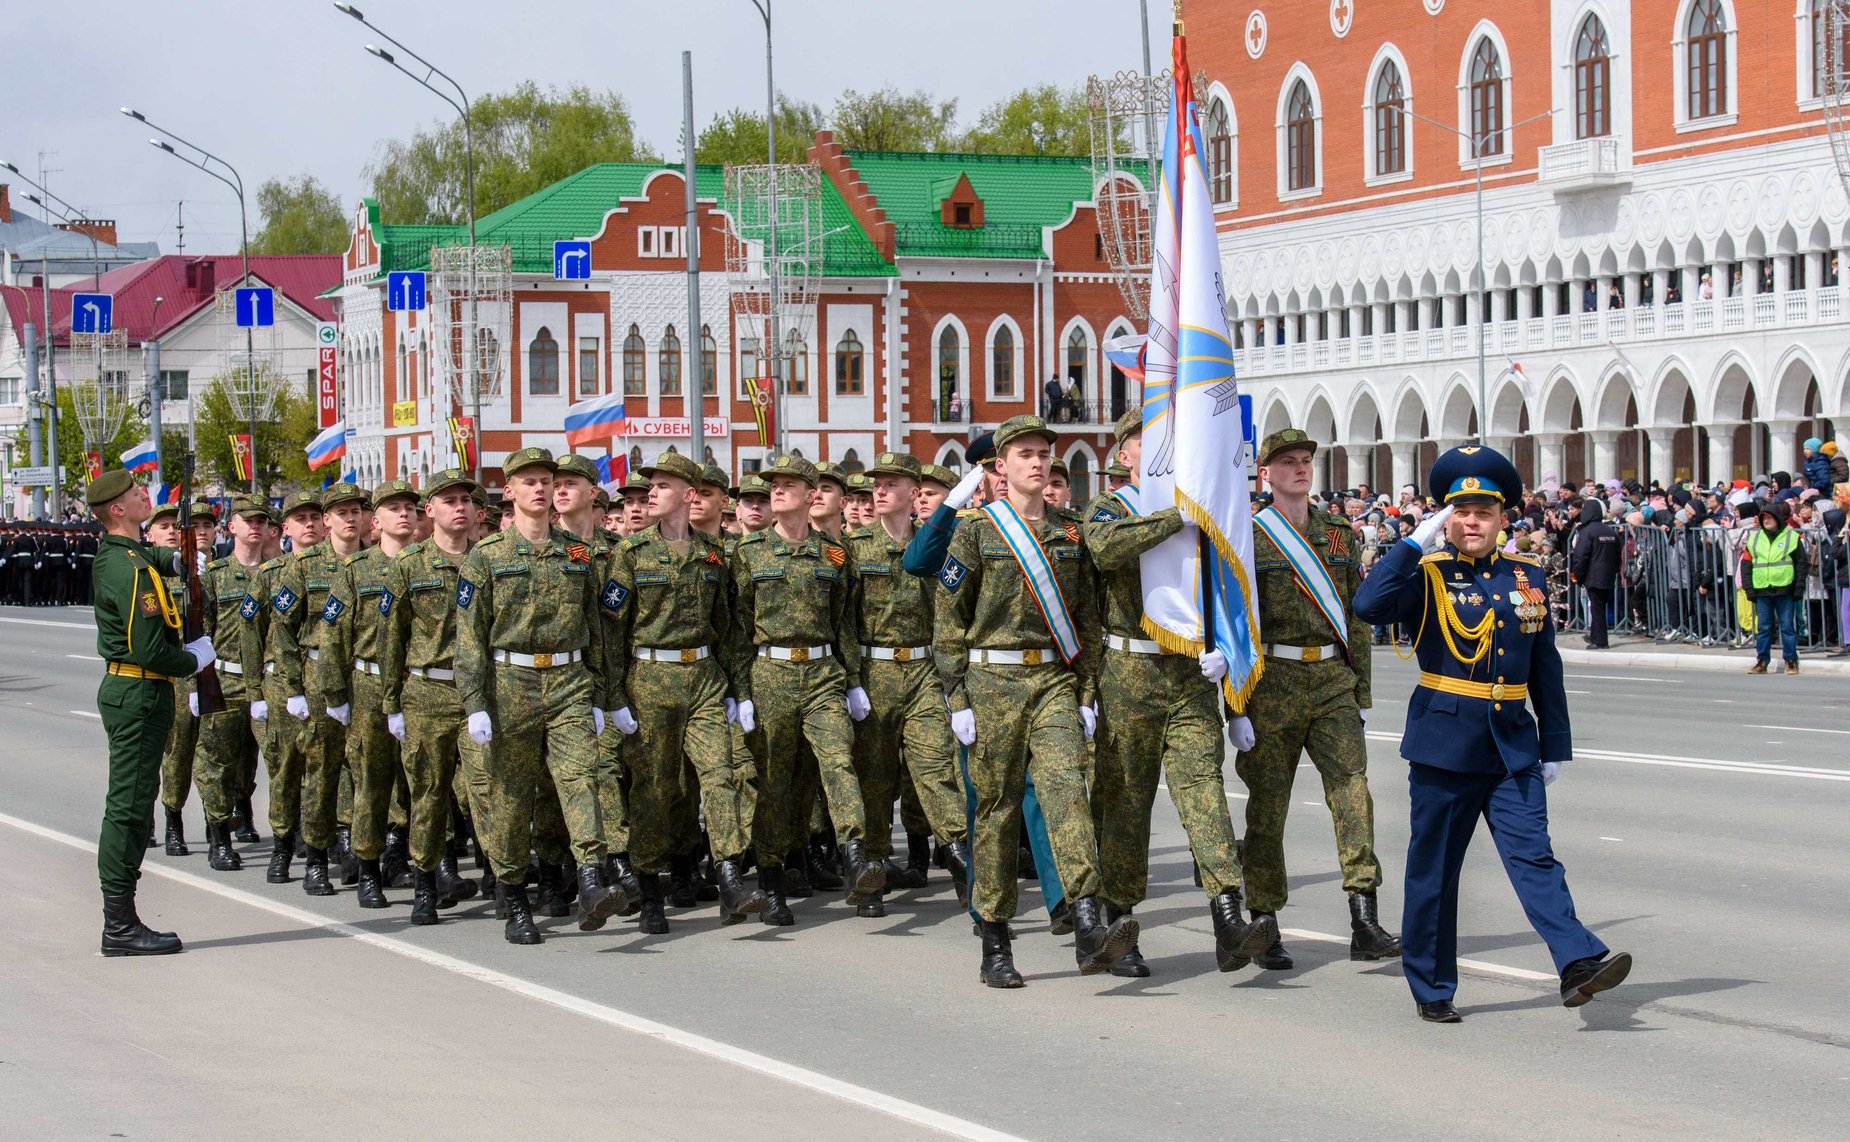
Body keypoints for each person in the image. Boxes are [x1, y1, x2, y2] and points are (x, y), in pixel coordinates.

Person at [1354, 444, 1632, 1023]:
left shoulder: (1526, 576)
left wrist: (1554, 744)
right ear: (1446, 519)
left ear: (1504, 518)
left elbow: (1544, 666)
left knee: (1535, 858)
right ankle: (1432, 986)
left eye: (1484, 512)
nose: (1472, 522)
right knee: (1435, 870)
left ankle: (1577, 961)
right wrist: (1411, 542)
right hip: (1445, 745)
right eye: (1461, 513)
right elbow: (1368, 605)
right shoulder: (1427, 575)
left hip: (1511, 743)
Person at [934, 414, 1131, 987]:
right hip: (990, 684)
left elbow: (1089, 619)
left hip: (1053, 682)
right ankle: (995, 938)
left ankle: (1088, 918)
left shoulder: (1071, 531)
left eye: (1044, 453)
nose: (1038, 462)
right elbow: (949, 618)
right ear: (1001, 466)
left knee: (1069, 791)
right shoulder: (974, 532)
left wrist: (1089, 689)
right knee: (995, 812)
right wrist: (956, 696)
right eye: (1025, 454)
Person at [1083, 411, 1274, 976]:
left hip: (1192, 675)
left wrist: (1224, 654)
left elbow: (1225, 586)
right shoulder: (1111, 508)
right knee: (1126, 802)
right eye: (1150, 440)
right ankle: (1120, 924)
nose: (1166, 448)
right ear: (1125, 456)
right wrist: (1174, 518)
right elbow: (1106, 550)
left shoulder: (1202, 511)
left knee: (1204, 794)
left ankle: (1227, 916)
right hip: (1129, 675)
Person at [1233, 428, 1399, 970]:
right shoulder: (1249, 535)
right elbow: (1235, 623)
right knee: (1269, 807)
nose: (1301, 469)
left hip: (1330, 678)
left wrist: (1362, 690)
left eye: (1306, 461)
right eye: (1288, 462)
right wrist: (1235, 704)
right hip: (1273, 680)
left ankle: (1364, 916)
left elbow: (1356, 615)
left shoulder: (1338, 534)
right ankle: (1264, 919)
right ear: (1266, 474)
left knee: (1353, 794)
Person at [457, 448, 623, 943]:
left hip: (570, 682)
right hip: (511, 686)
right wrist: (475, 704)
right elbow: (470, 638)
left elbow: (594, 627)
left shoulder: (576, 553)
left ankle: (592, 877)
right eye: (527, 481)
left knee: (580, 778)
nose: (538, 489)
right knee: (512, 796)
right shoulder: (485, 557)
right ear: (508, 491)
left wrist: (600, 694)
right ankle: (513, 896)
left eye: (546, 481)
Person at [604, 451, 764, 930]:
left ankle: (731, 876)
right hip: (649, 681)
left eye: (663, 486)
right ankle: (651, 891)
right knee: (655, 788)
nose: (651, 493)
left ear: (689, 495)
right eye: (650, 486)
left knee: (722, 774)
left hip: (704, 679)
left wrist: (736, 689)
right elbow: (612, 631)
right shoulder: (629, 554)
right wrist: (613, 698)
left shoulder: (715, 555)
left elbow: (729, 625)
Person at [727, 454, 883, 924]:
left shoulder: (835, 553)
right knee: (775, 782)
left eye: (788, 484)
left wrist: (852, 680)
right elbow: (736, 627)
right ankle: (772, 879)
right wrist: (742, 690)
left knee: (838, 760)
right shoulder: (749, 553)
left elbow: (844, 623)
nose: (777, 491)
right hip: (769, 672)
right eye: (774, 484)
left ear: (811, 495)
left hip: (821, 673)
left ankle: (855, 854)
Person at [86, 469, 216, 956]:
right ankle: (119, 924)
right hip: (139, 693)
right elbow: (150, 652)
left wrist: (180, 557)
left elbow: (150, 558)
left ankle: (121, 919)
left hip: (134, 693)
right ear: (117, 509)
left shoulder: (126, 556)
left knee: (136, 801)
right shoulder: (132, 571)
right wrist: (194, 660)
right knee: (129, 809)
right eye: (137, 494)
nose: (147, 497)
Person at [845, 451, 972, 917]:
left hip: (923, 670)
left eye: (890, 483)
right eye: (876, 484)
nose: (879, 491)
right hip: (873, 671)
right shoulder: (855, 547)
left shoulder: (937, 544)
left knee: (935, 769)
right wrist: (851, 681)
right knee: (874, 779)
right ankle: (873, 872)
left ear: (913, 493)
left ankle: (964, 865)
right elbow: (844, 620)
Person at [378, 470, 487, 924]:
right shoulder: (408, 566)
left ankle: (505, 882)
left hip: (480, 692)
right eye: (448, 501)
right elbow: (390, 638)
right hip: (426, 690)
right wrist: (392, 702)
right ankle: (426, 883)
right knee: (428, 792)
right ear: (431, 510)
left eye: (465, 499)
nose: (458, 507)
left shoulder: (490, 559)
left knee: (488, 789)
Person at [320, 481, 422, 908]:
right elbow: (333, 634)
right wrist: (335, 692)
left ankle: (406, 854)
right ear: (375, 522)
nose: (403, 514)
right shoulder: (356, 570)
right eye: (392, 508)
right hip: (369, 685)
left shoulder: (428, 564)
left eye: (409, 508)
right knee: (372, 779)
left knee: (417, 779)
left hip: (418, 682)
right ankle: (366, 867)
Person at [270, 484, 370, 896]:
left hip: (364, 678)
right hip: (315, 681)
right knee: (322, 771)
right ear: (326, 521)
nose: (350, 519)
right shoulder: (305, 567)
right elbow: (282, 628)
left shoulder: (374, 564)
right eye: (340, 512)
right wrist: (292, 686)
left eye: (356, 511)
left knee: (363, 771)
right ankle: (315, 857)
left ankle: (359, 852)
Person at [1743, 500, 1807, 674]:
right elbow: (1746, 564)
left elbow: (1801, 563)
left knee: (1787, 626)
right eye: (1764, 518)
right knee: (1764, 627)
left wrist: (1799, 587)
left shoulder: (1791, 537)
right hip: (1762, 589)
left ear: (1778, 519)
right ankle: (1762, 661)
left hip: (1785, 588)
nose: (1767, 521)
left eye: (1770, 518)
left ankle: (1791, 660)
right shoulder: (1755, 538)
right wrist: (1749, 588)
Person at [1569, 499, 1620, 649]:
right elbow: (1617, 556)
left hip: (1593, 575)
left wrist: (1577, 575)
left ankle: (1600, 641)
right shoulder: (1611, 531)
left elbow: (1581, 555)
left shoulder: (1587, 531)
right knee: (1600, 606)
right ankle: (1595, 635)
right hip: (1608, 575)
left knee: (1596, 608)